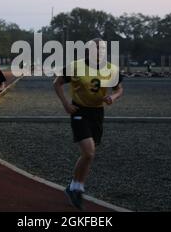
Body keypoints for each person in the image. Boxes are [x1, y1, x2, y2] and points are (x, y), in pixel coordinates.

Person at [53, 38, 123, 210]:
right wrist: (66, 104)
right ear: (87, 51)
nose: (99, 51)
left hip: (97, 113)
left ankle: (74, 187)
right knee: (89, 152)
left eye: (102, 49)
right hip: (79, 111)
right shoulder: (75, 66)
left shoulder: (111, 69)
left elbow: (119, 89)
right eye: (95, 48)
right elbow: (57, 83)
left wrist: (112, 97)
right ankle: (77, 187)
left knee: (89, 154)